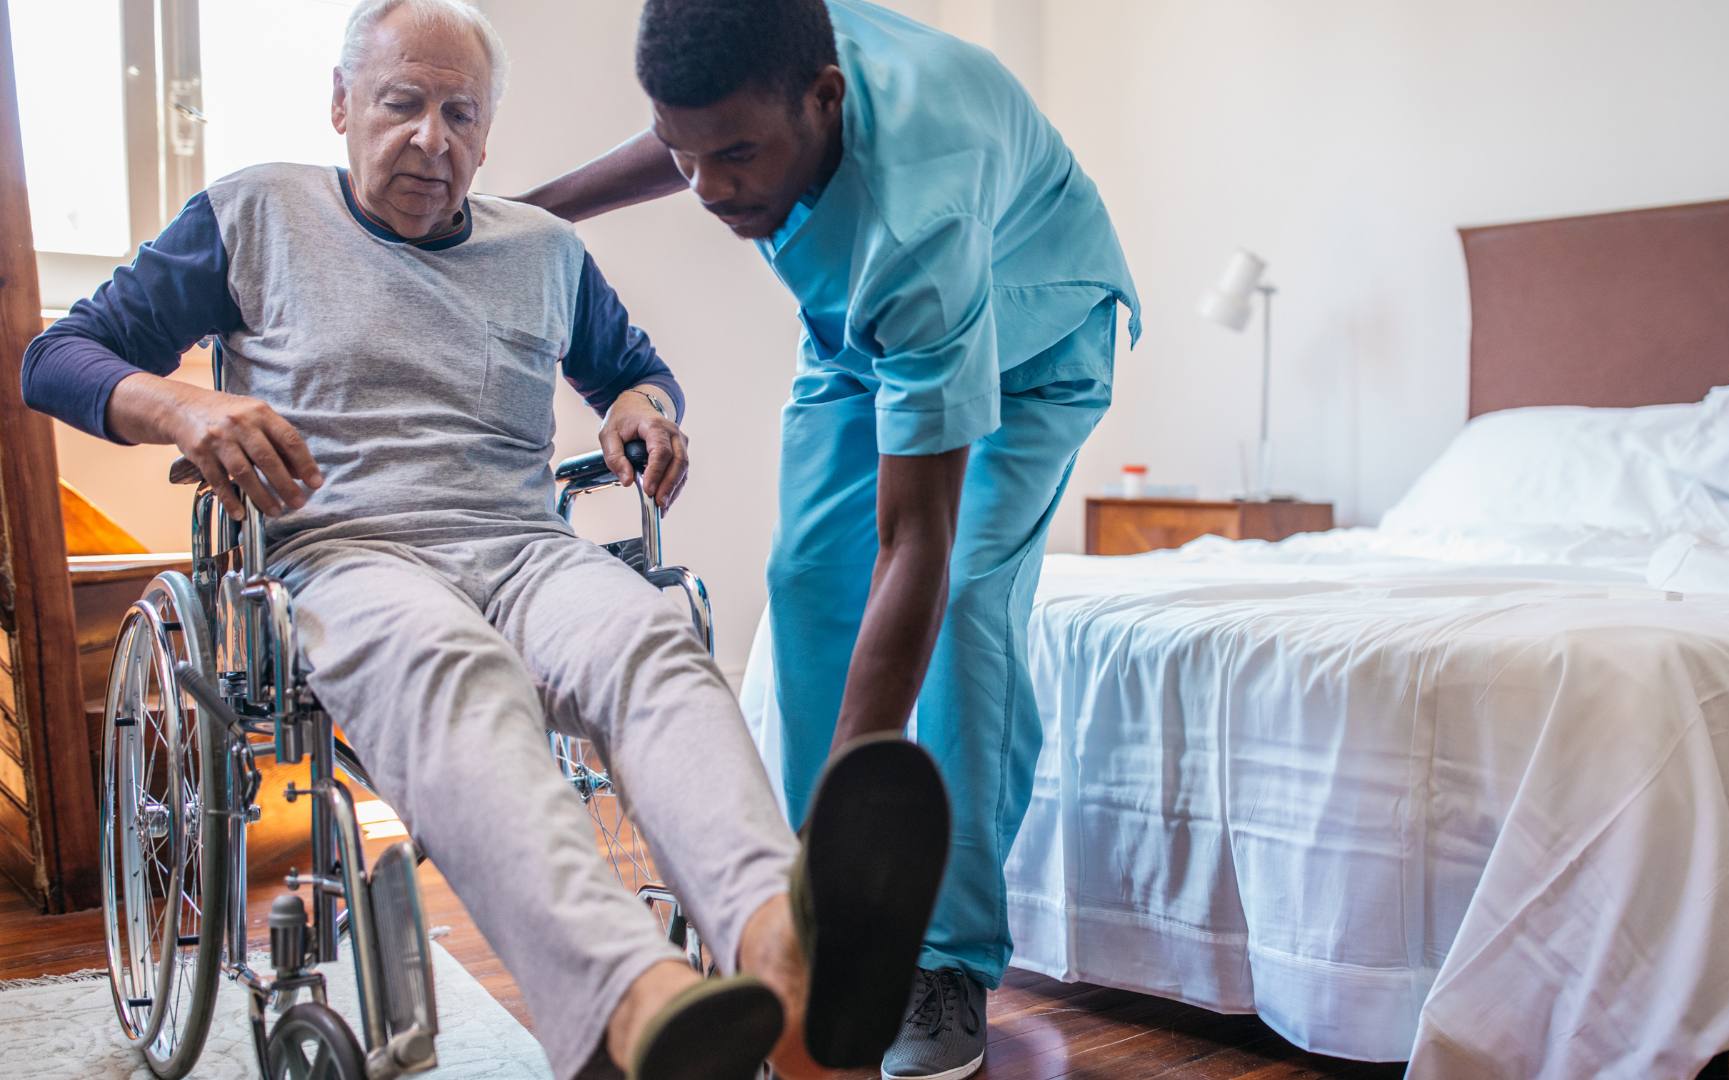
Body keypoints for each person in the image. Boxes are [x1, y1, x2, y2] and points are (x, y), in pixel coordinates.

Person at [21, 2, 949, 1078]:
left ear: (490, 129)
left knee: (652, 642)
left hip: (524, 548)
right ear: (341, 104)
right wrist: (182, 409)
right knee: (454, 668)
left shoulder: (544, 248)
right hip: (349, 551)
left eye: (461, 113)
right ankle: (632, 999)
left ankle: (788, 951)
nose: (433, 139)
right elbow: (59, 354)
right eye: (401, 104)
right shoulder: (256, 211)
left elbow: (632, 368)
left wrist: (642, 409)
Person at [518, 2, 1140, 1076]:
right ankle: (804, 934)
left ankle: (938, 960)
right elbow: (701, 131)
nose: (709, 186)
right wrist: (535, 213)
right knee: (805, 581)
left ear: (825, 100)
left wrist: (855, 838)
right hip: (864, 335)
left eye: (739, 156)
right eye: (688, 155)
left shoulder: (919, 214)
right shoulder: (763, 41)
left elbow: (916, 545)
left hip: (1029, 341)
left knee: (970, 599)